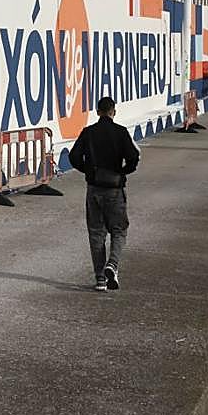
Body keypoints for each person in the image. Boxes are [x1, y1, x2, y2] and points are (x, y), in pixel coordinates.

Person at [69, 96, 140, 293]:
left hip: (94, 189)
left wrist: (89, 172)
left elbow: (73, 157)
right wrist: (123, 172)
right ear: (113, 112)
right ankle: (113, 264)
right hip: (115, 189)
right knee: (119, 230)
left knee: (96, 233)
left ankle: (100, 279)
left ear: (97, 111)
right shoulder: (121, 132)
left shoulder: (88, 132)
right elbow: (134, 157)